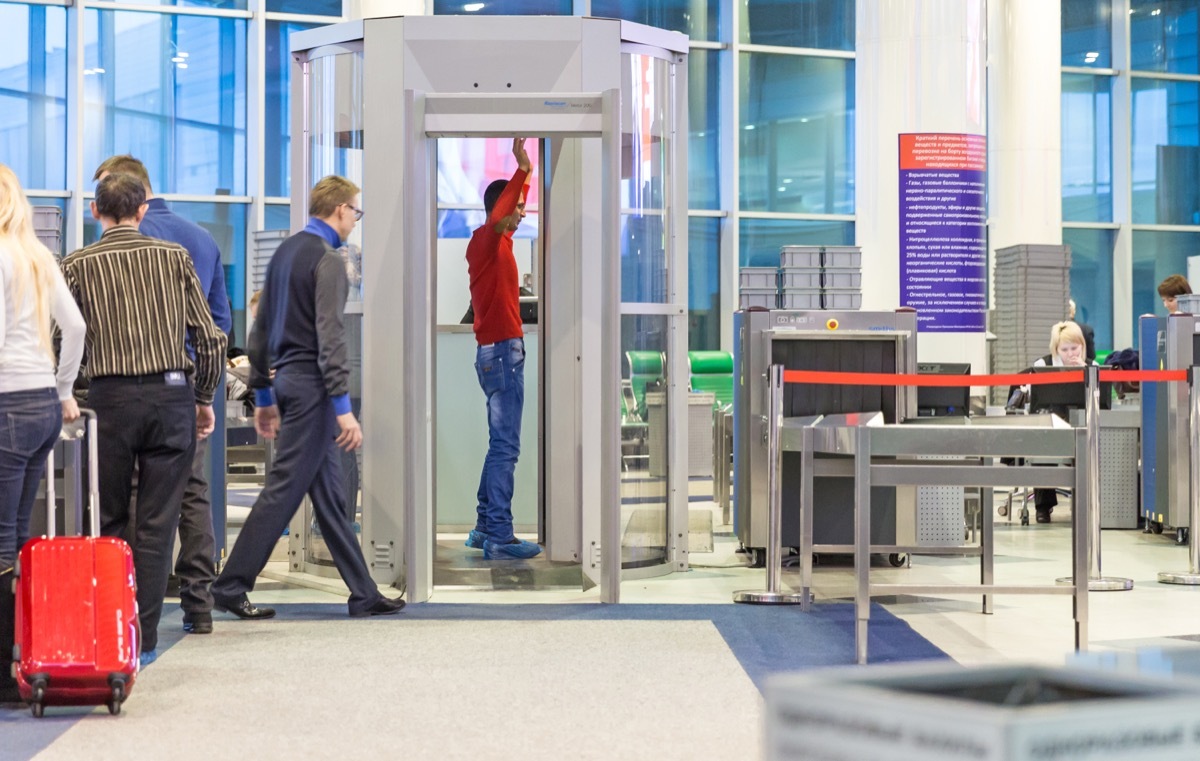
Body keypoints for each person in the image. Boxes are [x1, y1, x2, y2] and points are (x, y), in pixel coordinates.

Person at [210, 175, 404, 619]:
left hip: (288, 384)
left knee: (331, 497)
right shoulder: (328, 260)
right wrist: (342, 409)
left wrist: (262, 393)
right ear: (339, 210)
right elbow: (330, 336)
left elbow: (259, 328)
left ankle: (363, 591)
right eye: (356, 211)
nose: (356, 220)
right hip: (315, 390)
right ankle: (230, 585)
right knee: (282, 491)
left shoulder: (285, 253)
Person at [60, 172, 227, 667]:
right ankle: (144, 637)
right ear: (141, 210)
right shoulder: (175, 258)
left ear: (96, 211)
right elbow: (212, 337)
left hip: (107, 403)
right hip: (171, 398)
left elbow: (61, 337)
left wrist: (68, 389)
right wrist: (202, 398)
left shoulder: (76, 265)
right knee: (158, 524)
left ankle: (111, 631)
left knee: (109, 520)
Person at [0, 165, 86, 702]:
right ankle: (21, 654)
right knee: (15, 536)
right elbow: (73, 327)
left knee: (0, 538)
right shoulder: (36, 255)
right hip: (40, 406)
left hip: (6, 401)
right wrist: (62, 388)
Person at [463, 138, 542, 560]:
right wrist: (523, 169)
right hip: (502, 356)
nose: (523, 211)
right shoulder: (486, 242)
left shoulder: (501, 245)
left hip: (498, 354)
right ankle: (499, 534)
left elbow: (509, 212)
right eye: (518, 207)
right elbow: (502, 212)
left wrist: (523, 184)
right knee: (506, 448)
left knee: (499, 444)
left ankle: (482, 526)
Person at [1029, 321, 1094, 524]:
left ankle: (1088, 502)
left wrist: (1086, 376)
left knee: (1088, 444)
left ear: (1082, 346)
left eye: (1074, 348)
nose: (1070, 353)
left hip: (1083, 422)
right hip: (1052, 421)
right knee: (1042, 444)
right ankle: (1043, 506)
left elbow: (1102, 403)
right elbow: (1034, 400)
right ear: (1056, 349)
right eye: (1064, 349)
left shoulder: (1093, 367)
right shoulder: (1043, 365)